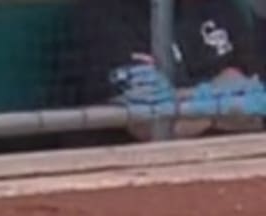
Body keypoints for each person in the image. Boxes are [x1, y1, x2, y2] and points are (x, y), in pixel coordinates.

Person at [63, 0, 265, 140]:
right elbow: (146, 126)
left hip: (228, 156)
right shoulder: (101, 14)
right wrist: (216, 103)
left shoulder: (219, 6)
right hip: (132, 171)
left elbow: (254, 108)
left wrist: (179, 105)